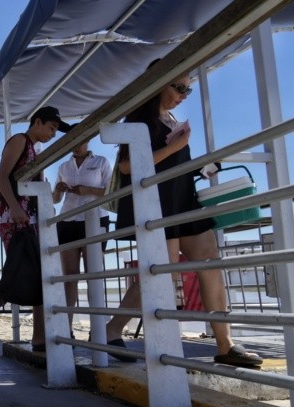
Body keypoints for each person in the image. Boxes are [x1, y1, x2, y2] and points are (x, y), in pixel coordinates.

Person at [104, 61, 263, 367]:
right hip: (158, 204)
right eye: (179, 87)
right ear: (158, 83)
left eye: (188, 88)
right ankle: (112, 327)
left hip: (183, 200)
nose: (184, 94)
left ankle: (224, 345)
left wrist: (200, 168)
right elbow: (126, 167)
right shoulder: (139, 120)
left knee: (210, 262)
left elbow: (173, 166)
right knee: (161, 272)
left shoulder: (172, 119)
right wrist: (175, 146)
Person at [0, 106, 71, 358]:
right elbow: (1, 177)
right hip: (14, 218)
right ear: (38, 122)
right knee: (19, 271)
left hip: (26, 219)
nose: (52, 134)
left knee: (35, 272)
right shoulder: (20, 140)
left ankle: (38, 336)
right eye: (51, 128)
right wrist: (15, 209)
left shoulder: (33, 148)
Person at [52, 125, 112, 329]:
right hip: (67, 220)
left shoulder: (102, 162)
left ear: (88, 140)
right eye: (72, 141)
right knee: (69, 276)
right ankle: (66, 327)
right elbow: (54, 199)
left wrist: (87, 190)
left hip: (94, 219)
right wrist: (58, 190)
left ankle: (98, 328)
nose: (75, 146)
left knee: (93, 274)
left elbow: (111, 192)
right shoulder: (63, 167)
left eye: (79, 141)